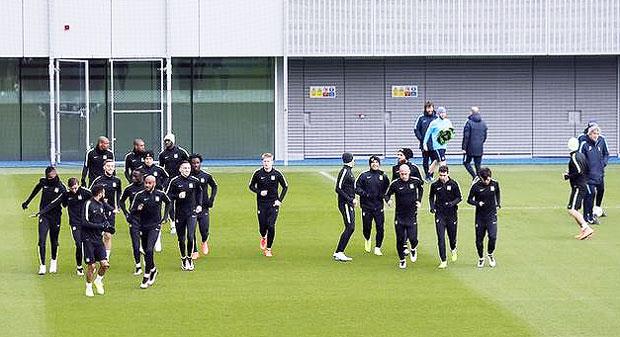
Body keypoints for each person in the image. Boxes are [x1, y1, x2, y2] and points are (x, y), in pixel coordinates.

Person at [35, 177, 92, 275]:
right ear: (69, 188)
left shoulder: (86, 192)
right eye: (72, 188)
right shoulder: (66, 195)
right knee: (78, 244)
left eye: (75, 188)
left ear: (78, 185)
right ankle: (79, 267)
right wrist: (41, 212)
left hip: (87, 222)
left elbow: (96, 200)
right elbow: (54, 203)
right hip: (75, 223)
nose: (74, 190)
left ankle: (90, 263)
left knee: (88, 244)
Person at [22, 166, 66, 275]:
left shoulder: (61, 187)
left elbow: (60, 203)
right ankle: (42, 265)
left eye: (54, 173)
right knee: (42, 240)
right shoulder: (44, 182)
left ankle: (53, 261)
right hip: (44, 216)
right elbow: (36, 189)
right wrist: (27, 202)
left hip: (55, 216)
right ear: (47, 174)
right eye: (51, 173)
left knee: (54, 240)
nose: (53, 175)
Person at [130, 176, 171, 289]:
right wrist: (137, 209)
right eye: (146, 183)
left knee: (149, 249)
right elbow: (132, 211)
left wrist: (165, 217)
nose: (147, 185)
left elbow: (168, 203)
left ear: (154, 183)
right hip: (143, 226)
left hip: (155, 226)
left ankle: (146, 276)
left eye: (149, 183)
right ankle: (153, 269)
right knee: (146, 251)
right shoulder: (140, 196)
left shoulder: (160, 194)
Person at [248, 153, 288, 257]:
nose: (266, 163)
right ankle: (263, 236)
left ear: (272, 162)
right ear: (262, 162)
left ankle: (269, 249)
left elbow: (285, 187)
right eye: (265, 161)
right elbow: (251, 186)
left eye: (268, 161)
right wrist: (259, 192)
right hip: (261, 204)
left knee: (271, 225)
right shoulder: (258, 174)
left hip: (273, 204)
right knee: (262, 226)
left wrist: (279, 200)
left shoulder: (277, 174)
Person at [384, 164, 424, 269]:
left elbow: (421, 188)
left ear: (409, 172)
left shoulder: (415, 181)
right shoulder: (395, 184)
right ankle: (402, 259)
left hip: (411, 215)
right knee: (400, 240)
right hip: (399, 216)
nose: (404, 176)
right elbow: (387, 194)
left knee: (413, 238)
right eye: (402, 174)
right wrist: (388, 200)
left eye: (405, 174)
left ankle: (413, 248)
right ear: (399, 173)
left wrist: (419, 201)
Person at [166, 161, 203, 270]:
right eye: (184, 168)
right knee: (181, 239)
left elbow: (199, 193)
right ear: (180, 170)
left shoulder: (195, 181)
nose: (187, 170)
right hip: (180, 214)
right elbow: (168, 196)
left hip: (191, 213)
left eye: (188, 168)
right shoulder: (175, 181)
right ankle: (183, 259)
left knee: (190, 236)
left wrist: (199, 205)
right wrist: (178, 195)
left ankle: (190, 259)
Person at [82, 185, 113, 297]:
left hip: (98, 239)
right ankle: (89, 287)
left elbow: (104, 219)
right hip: (88, 239)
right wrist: (99, 226)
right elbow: (84, 222)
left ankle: (98, 280)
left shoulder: (101, 205)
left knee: (105, 265)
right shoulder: (88, 204)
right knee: (92, 266)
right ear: (100, 193)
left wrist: (108, 227)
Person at [428, 165, 462, 269]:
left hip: (451, 214)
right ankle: (443, 260)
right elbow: (431, 197)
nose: (442, 177)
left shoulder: (454, 184)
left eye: (444, 175)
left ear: (448, 174)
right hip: (440, 214)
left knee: (452, 237)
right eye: (441, 175)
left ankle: (453, 248)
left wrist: (452, 203)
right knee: (440, 238)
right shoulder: (435, 185)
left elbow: (459, 197)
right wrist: (432, 207)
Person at [467, 167, 501, 268]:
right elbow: (469, 200)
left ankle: (490, 254)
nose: (487, 181)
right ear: (480, 178)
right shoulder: (476, 187)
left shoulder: (495, 183)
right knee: (479, 240)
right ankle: (481, 258)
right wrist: (478, 203)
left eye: (488, 179)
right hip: (480, 217)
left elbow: (498, 192)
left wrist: (498, 203)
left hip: (491, 215)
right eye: (485, 179)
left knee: (493, 236)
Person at [355, 155, 389, 256]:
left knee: (380, 227)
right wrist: (365, 194)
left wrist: (387, 199)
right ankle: (367, 238)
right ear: (370, 164)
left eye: (377, 162)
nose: (375, 164)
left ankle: (378, 247)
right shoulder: (364, 175)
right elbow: (357, 188)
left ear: (379, 164)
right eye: (373, 162)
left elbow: (387, 189)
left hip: (378, 206)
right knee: (367, 226)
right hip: (366, 206)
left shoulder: (383, 176)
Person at [90, 159, 122, 260]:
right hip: (99, 210)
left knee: (108, 235)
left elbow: (119, 194)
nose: (110, 168)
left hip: (110, 211)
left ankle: (106, 257)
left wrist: (117, 207)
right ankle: (96, 253)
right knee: (98, 234)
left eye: (112, 166)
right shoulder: (98, 180)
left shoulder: (117, 181)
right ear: (104, 167)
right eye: (108, 166)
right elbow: (91, 193)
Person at [158, 133, 189, 234]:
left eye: (168, 141)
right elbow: (161, 169)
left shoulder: (181, 152)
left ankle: (184, 221)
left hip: (181, 181)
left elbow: (188, 165)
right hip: (169, 182)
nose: (166, 143)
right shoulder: (162, 155)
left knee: (182, 202)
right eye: (165, 141)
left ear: (173, 141)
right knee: (169, 202)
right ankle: (173, 224)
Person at [564, 137, 594, 240]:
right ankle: (583, 230)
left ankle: (586, 228)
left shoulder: (574, 157)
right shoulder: (581, 155)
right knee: (574, 209)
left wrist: (568, 176)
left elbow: (579, 170)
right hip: (582, 184)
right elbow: (587, 169)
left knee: (571, 209)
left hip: (578, 186)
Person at [579, 124, 609, 224]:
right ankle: (588, 216)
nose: (596, 135)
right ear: (589, 133)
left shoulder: (600, 142)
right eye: (594, 133)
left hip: (599, 174)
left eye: (597, 133)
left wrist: (603, 163)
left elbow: (606, 154)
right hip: (588, 176)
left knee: (599, 191)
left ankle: (592, 213)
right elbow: (579, 158)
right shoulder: (584, 144)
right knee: (590, 194)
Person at [189, 154, 218, 258]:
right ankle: (195, 250)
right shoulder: (188, 177)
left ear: (200, 163)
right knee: (191, 231)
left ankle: (204, 241)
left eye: (197, 163)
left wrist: (211, 199)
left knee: (204, 229)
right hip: (191, 207)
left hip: (204, 206)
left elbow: (214, 186)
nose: (195, 165)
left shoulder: (206, 176)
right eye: (193, 163)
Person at [119, 170, 145, 275]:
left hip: (147, 220)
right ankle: (138, 266)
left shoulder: (147, 187)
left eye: (136, 176)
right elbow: (121, 201)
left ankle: (147, 260)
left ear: (142, 176)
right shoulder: (129, 189)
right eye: (132, 176)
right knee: (135, 244)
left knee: (147, 244)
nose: (133, 177)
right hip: (134, 219)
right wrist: (126, 214)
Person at [333, 152, 356, 262]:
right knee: (350, 227)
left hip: (349, 203)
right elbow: (338, 188)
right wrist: (350, 199)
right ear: (351, 160)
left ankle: (339, 251)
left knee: (351, 227)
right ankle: (339, 252)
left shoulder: (349, 171)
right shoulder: (345, 171)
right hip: (345, 203)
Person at [423, 106, 454, 182]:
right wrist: (424, 144)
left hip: (444, 145)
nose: (443, 114)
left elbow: (452, 132)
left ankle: (428, 176)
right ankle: (445, 178)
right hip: (437, 146)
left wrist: (448, 136)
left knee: (436, 161)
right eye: (441, 113)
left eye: (444, 112)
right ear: (438, 114)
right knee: (442, 162)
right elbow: (428, 133)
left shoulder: (448, 121)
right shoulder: (434, 123)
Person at [462, 106, 488, 179]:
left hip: (469, 148)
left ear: (471, 112)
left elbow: (466, 136)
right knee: (478, 165)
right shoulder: (483, 123)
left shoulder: (468, 123)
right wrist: (480, 143)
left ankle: (474, 176)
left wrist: (464, 148)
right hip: (479, 148)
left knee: (466, 162)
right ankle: (480, 179)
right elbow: (485, 136)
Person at [414, 101, 437, 181]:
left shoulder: (437, 118)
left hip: (435, 144)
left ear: (433, 108)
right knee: (425, 160)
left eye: (430, 107)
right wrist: (421, 139)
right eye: (428, 108)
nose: (429, 109)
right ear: (425, 109)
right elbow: (416, 130)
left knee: (434, 160)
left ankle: (430, 175)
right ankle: (427, 176)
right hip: (424, 144)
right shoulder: (421, 118)